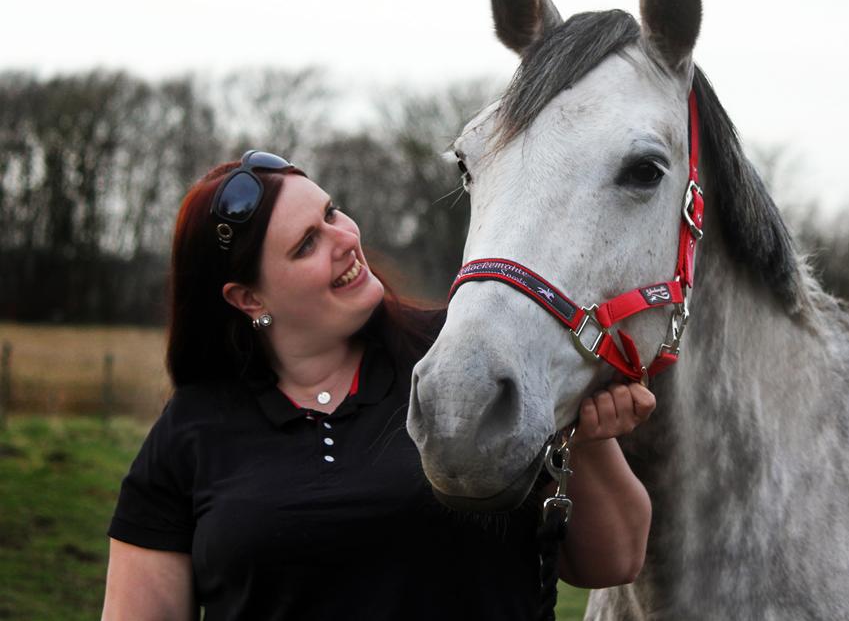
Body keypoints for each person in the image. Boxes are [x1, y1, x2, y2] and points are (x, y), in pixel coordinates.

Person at [102, 151, 655, 620]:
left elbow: (611, 563)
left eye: (332, 212)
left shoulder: (462, 365)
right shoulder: (190, 433)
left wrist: (592, 442)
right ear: (249, 299)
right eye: (306, 244)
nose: (344, 238)